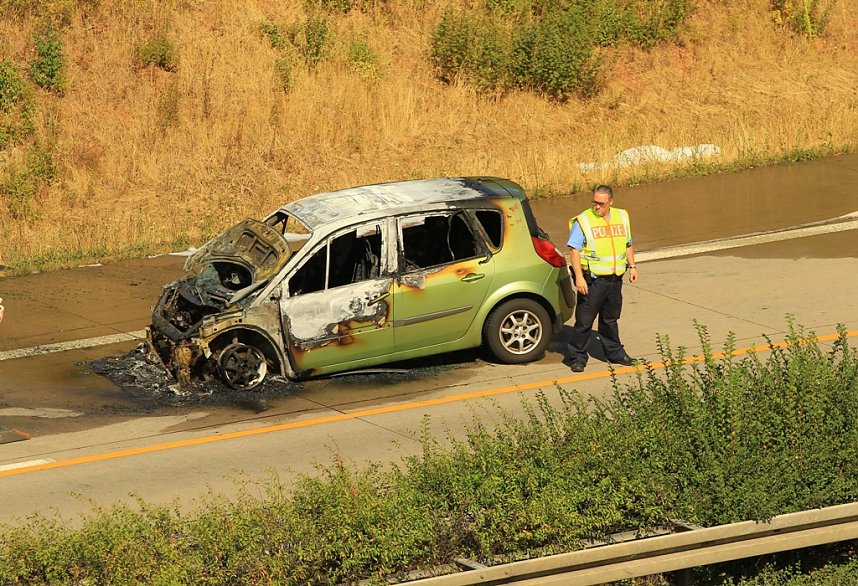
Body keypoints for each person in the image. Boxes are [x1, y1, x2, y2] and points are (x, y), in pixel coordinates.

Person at [565, 185, 638, 372]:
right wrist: (579, 278)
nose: (597, 207)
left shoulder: (622, 216)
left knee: (610, 319)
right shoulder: (584, 220)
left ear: (610, 202)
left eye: (601, 204)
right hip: (593, 281)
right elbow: (574, 250)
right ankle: (577, 357)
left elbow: (628, 243)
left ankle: (615, 353)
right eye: (595, 202)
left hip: (615, 279)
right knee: (584, 322)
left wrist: (633, 266)